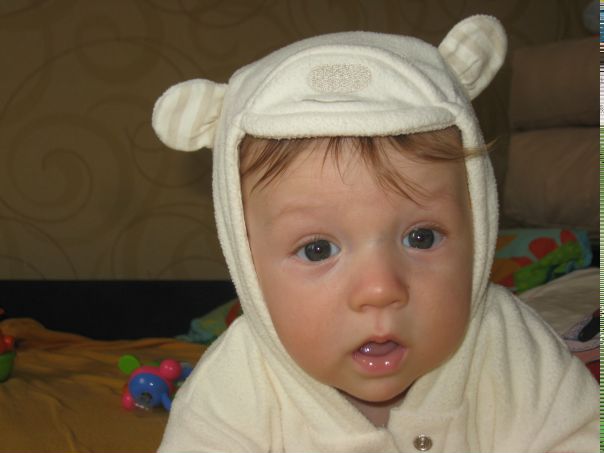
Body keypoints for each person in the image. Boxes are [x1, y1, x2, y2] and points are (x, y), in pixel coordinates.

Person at [151, 15, 598, 452]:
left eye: (422, 238)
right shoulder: (235, 387)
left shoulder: (509, 348)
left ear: (477, 230)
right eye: (317, 249)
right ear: (248, 262)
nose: (380, 289)